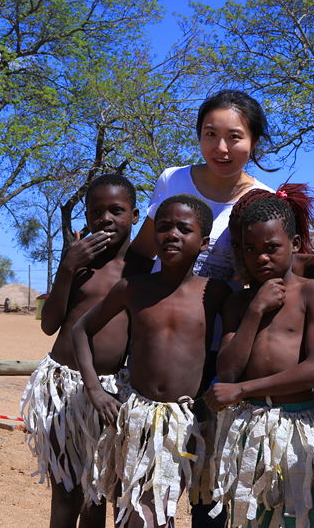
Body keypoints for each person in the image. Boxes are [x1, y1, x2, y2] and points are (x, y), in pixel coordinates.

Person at [128, 90, 275, 527]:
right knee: (152, 474)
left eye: (235, 136)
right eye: (210, 135)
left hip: (219, 350)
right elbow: (138, 257)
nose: (222, 148)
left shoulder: (263, 199)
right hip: (158, 345)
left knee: (208, 481)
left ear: (254, 142)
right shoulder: (172, 180)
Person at [71, 194, 231, 528]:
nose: (171, 234)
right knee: (132, 512)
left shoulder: (215, 292)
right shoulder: (132, 288)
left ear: (204, 243)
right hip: (136, 416)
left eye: (183, 229)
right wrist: (95, 390)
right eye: (163, 227)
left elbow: (239, 339)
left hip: (185, 422)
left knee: (162, 512)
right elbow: (81, 331)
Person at [205, 198, 314, 528]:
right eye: (251, 250)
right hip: (250, 426)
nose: (261, 258)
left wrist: (242, 388)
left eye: (271, 247)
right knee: (253, 514)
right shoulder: (238, 302)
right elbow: (226, 369)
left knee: (302, 514)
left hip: (300, 426)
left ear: (294, 243)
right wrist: (255, 309)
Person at [21, 174, 152, 528]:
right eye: (96, 211)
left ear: (136, 215)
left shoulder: (144, 270)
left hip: (110, 391)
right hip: (63, 386)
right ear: (87, 214)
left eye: (116, 210)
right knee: (66, 493)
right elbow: (50, 324)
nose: (105, 218)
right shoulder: (77, 262)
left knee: (97, 492)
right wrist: (68, 266)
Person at [227, 183, 314, 408]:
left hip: (310, 396)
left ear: (291, 242)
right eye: (243, 246)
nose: (244, 255)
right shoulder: (246, 292)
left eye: (269, 246)